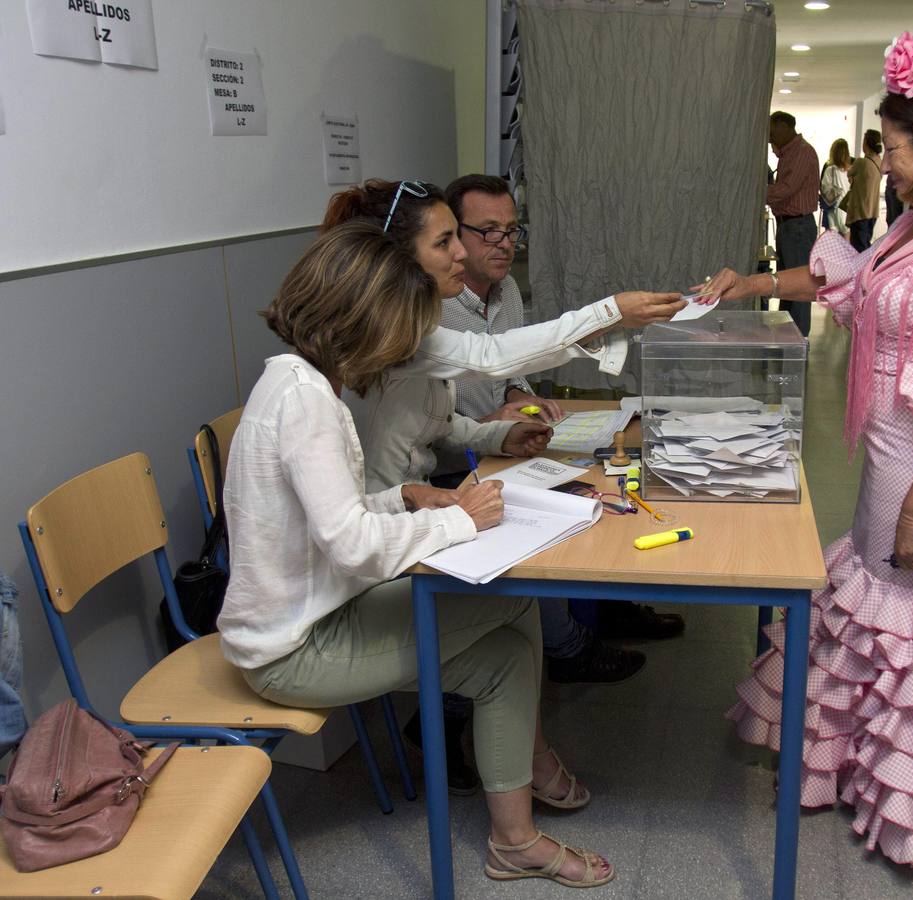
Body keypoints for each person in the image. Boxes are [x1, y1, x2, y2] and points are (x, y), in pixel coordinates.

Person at [220, 215, 683, 885]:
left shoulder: (295, 384)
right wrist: (458, 521)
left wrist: (406, 494)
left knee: (504, 638)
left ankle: (516, 828)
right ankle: (519, 825)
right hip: (294, 646)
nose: (407, 346)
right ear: (362, 318)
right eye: (403, 328)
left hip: (309, 612)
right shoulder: (307, 406)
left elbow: (328, 521)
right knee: (509, 612)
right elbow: (351, 546)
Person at [698, 31, 913, 869]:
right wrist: (754, 283)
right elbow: (851, 280)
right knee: (878, 603)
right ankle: (869, 767)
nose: (883, 164)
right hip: (895, 447)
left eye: (895, 150)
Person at [439, 174, 683, 675]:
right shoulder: (429, 308)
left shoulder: (504, 292)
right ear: (452, 236)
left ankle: (605, 608)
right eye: (488, 232)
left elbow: (508, 367)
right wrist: (490, 423)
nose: (504, 245)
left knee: (604, 487)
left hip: (497, 448)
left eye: (511, 231)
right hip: (450, 468)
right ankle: (567, 648)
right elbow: (477, 369)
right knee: (555, 517)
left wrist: (516, 397)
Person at [766, 111, 820, 336]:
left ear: (784, 126)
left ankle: (798, 340)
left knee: (797, 288)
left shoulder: (802, 152)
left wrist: (753, 192)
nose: (769, 136)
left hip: (797, 227)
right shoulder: (788, 153)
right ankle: (788, 338)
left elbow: (787, 188)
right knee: (786, 286)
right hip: (788, 227)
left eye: (772, 130)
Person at [843, 129, 883, 251]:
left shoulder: (861, 162)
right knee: (865, 243)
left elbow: (850, 172)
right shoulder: (879, 162)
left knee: (858, 248)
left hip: (860, 212)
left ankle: (864, 270)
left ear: (866, 143)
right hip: (873, 211)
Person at [819, 139, 851, 237]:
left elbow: (824, 189)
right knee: (847, 244)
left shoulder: (830, 170)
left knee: (834, 244)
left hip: (832, 211)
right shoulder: (851, 171)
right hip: (846, 210)